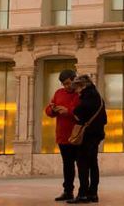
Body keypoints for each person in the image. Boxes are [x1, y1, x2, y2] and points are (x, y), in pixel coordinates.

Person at [68, 75, 107, 204]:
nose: (77, 91)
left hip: (87, 136)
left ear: (83, 86)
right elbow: (104, 119)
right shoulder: (98, 98)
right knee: (93, 164)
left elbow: (77, 112)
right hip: (97, 135)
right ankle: (93, 194)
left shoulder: (87, 97)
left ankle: (83, 194)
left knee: (82, 164)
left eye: (78, 87)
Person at [44, 69, 80, 201]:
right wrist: (52, 109)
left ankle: (83, 192)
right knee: (67, 165)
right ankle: (68, 191)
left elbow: (82, 112)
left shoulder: (80, 93)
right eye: (64, 84)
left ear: (74, 79)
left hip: (77, 136)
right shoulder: (59, 93)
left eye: (68, 83)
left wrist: (68, 111)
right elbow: (48, 110)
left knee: (81, 165)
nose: (67, 86)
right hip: (63, 136)